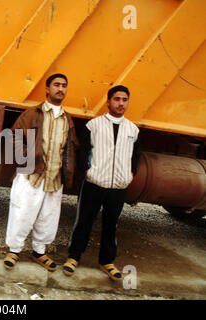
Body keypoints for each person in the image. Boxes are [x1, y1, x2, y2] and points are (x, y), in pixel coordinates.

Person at [62, 85, 140, 281]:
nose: (121, 103)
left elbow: (136, 157)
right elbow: (83, 151)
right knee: (84, 222)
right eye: (117, 99)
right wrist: (89, 171)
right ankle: (73, 257)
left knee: (111, 224)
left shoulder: (133, 129)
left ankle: (107, 261)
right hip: (95, 183)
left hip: (118, 187)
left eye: (124, 99)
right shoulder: (94, 125)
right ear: (109, 102)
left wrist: (130, 174)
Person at [3, 73, 78, 271]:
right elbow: (14, 137)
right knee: (22, 212)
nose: (60, 89)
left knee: (48, 217)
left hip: (54, 178)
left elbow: (70, 149)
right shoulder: (33, 113)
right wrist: (26, 157)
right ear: (47, 89)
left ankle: (39, 251)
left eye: (64, 85)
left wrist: (67, 173)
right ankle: (14, 250)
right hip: (31, 174)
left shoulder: (67, 119)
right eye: (56, 85)